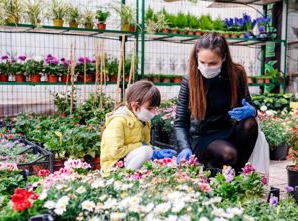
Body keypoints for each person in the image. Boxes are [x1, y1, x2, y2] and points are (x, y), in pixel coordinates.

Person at [174, 33, 258, 173]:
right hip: (203, 136)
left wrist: (252, 111)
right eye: (202, 62)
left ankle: (237, 174)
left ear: (224, 58)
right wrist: (184, 147)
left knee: (250, 123)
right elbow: (180, 122)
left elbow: (249, 104)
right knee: (229, 154)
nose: (207, 67)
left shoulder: (236, 75)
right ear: (196, 57)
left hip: (228, 130)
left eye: (213, 63)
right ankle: (223, 173)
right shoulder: (190, 80)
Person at [101, 80, 176, 174]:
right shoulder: (118, 121)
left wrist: (157, 151)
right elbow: (116, 152)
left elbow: (146, 145)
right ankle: (126, 177)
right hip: (113, 167)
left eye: (155, 108)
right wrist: (145, 148)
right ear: (134, 105)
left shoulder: (144, 121)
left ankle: (134, 176)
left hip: (128, 161)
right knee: (146, 151)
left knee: (167, 161)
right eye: (149, 108)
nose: (153, 113)